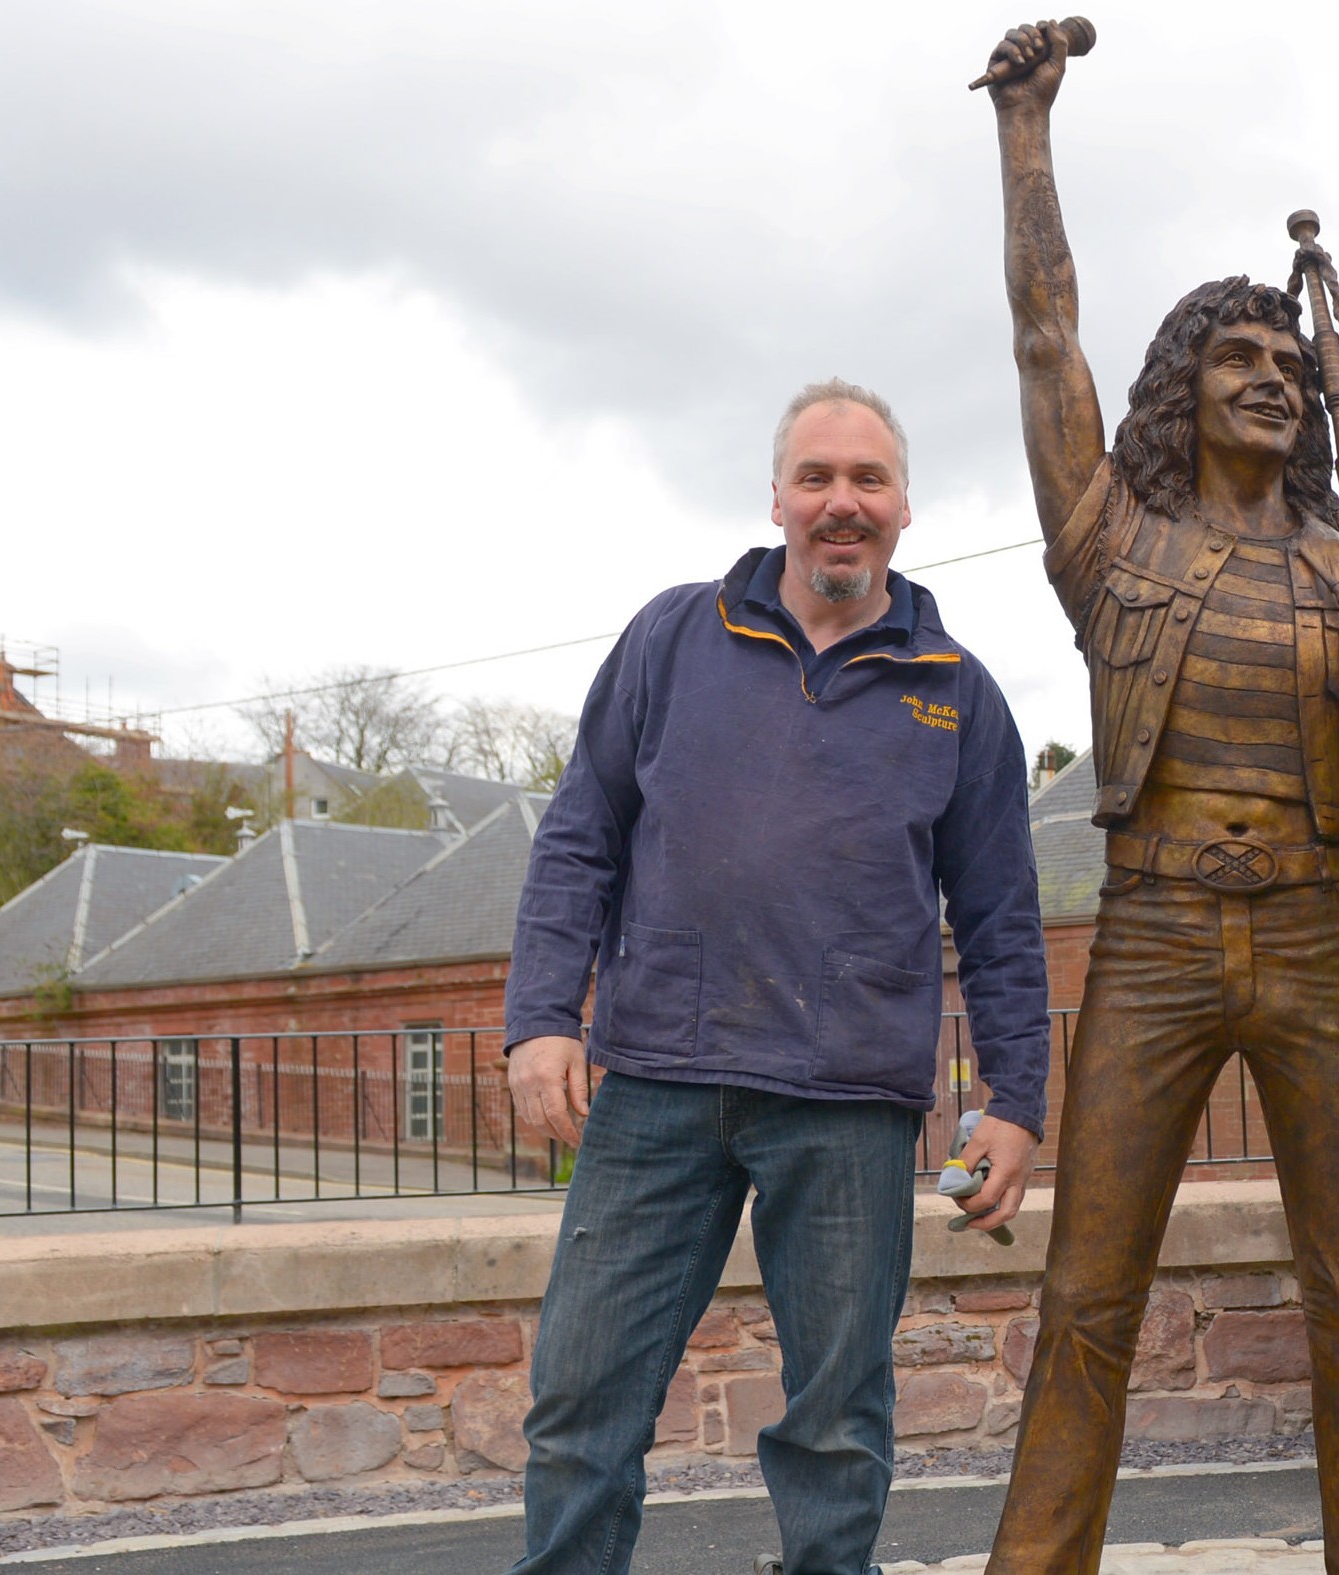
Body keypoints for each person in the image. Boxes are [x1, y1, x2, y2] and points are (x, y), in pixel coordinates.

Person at [974, 20, 1339, 1575]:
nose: (1274, 379)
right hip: (1148, 938)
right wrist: (1027, 134)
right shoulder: (1109, 544)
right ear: (1183, 386)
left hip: (1323, 940)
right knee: (1088, 1294)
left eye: (1291, 365)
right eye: (1241, 358)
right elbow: (1041, 333)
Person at [500, 380, 1051, 1575]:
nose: (840, 503)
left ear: (905, 507)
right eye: (817, 478)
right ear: (778, 498)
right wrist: (543, 1017)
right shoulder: (674, 636)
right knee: (581, 1406)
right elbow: (582, 831)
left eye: (867, 480)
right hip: (652, 1086)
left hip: (849, 1102)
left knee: (837, 1426)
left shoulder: (957, 694)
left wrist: (1012, 1097)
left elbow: (1003, 916)